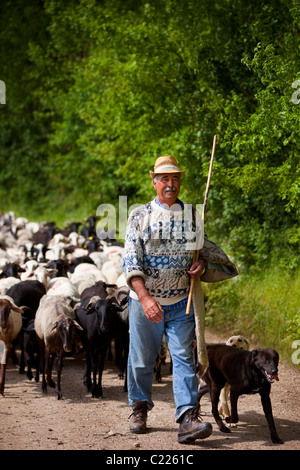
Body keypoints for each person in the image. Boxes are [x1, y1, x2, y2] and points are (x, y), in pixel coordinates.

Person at [122, 155, 213, 444]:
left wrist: (202, 266)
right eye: (164, 179)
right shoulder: (139, 215)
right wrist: (145, 298)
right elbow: (131, 261)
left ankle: (187, 418)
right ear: (154, 182)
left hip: (181, 301)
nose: (170, 184)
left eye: (175, 179)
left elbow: (203, 253)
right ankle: (139, 407)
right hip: (145, 303)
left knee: (184, 359)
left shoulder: (193, 215)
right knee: (141, 361)